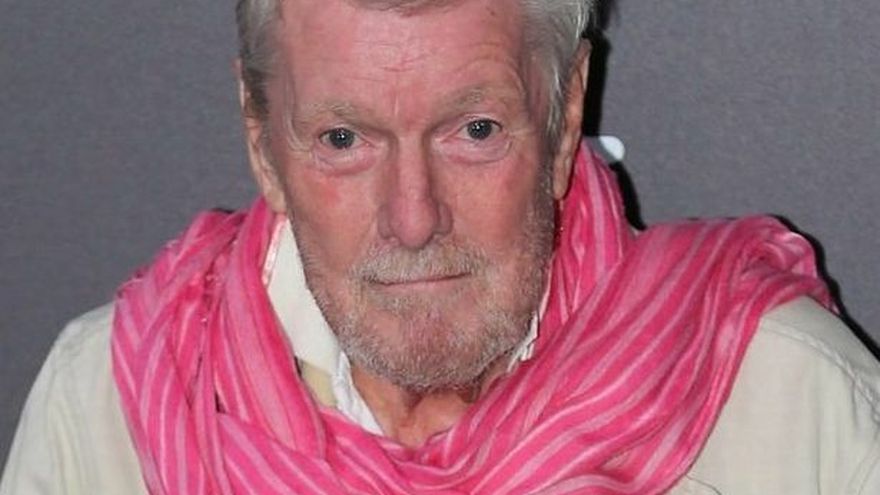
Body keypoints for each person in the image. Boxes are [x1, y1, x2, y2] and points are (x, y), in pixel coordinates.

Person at [2, 0, 879, 493]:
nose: (414, 218)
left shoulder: (792, 406)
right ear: (263, 141)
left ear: (566, 110)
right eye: (344, 139)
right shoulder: (105, 414)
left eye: (475, 130)